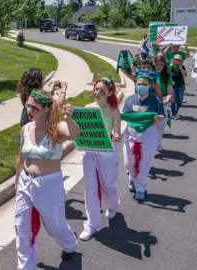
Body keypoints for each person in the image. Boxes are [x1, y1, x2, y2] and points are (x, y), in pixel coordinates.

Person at [14, 89, 80, 270]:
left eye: (35, 108)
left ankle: (69, 242)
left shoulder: (55, 129)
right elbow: (21, 156)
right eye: (28, 105)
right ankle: (26, 266)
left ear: (45, 109)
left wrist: (68, 119)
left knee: (54, 226)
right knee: (21, 226)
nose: (30, 110)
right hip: (26, 182)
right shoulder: (26, 128)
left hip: (49, 185)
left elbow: (74, 134)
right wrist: (17, 178)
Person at [79, 77, 121, 241]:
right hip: (89, 152)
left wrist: (116, 136)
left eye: (102, 91)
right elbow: (80, 130)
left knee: (108, 185)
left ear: (110, 93)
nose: (97, 93)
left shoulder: (113, 110)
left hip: (107, 152)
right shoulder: (88, 108)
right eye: (96, 89)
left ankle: (113, 205)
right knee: (90, 188)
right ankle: (92, 224)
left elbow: (117, 133)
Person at [122, 74, 165, 201]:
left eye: (144, 84)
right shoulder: (129, 100)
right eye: (139, 84)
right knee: (128, 162)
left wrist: (159, 118)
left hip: (148, 133)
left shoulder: (155, 100)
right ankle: (132, 177)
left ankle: (140, 188)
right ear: (135, 84)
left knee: (144, 162)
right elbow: (124, 115)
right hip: (131, 133)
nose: (141, 86)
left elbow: (162, 116)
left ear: (150, 86)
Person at [17, 69, 67, 143]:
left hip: (25, 132)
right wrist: (63, 89)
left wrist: (51, 92)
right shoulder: (35, 94)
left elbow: (41, 100)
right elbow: (57, 105)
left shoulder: (28, 93)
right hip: (35, 135)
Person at [154, 53, 174, 151]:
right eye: (157, 64)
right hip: (152, 101)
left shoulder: (167, 77)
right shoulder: (150, 74)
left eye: (161, 64)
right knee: (151, 124)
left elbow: (170, 92)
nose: (159, 67)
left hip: (163, 102)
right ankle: (151, 143)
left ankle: (158, 142)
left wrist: (167, 99)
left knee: (160, 125)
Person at [170, 54, 187, 119]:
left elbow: (185, 75)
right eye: (176, 60)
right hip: (173, 86)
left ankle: (176, 109)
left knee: (180, 100)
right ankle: (173, 114)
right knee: (173, 100)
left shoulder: (182, 67)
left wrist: (180, 67)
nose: (177, 61)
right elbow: (167, 75)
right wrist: (171, 81)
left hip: (181, 85)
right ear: (173, 60)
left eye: (179, 60)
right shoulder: (171, 67)